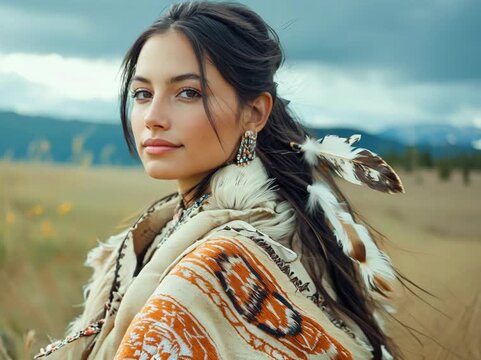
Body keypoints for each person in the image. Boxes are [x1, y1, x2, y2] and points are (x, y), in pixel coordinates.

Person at [35, 1, 405, 359]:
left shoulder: (220, 262)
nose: (153, 117)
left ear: (254, 113)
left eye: (188, 93)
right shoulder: (171, 227)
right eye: (143, 93)